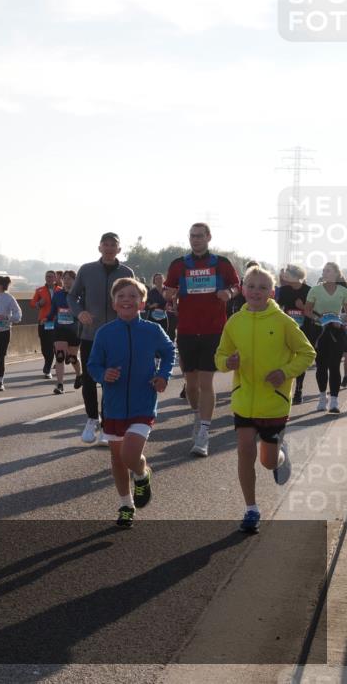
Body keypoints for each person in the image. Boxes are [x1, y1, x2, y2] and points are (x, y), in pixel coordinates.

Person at [215, 267, 315, 533]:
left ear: (271, 292)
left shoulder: (283, 321)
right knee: (244, 450)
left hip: (274, 401)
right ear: (243, 289)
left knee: (268, 461)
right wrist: (228, 362)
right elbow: (220, 356)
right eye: (251, 286)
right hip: (244, 399)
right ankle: (251, 509)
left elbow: (307, 353)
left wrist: (284, 373)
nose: (256, 291)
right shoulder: (235, 321)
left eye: (262, 287)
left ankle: (281, 456)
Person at [87, 278, 175, 528]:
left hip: (143, 403)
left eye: (133, 296)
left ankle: (141, 473)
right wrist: (103, 374)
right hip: (114, 406)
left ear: (142, 302)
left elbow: (169, 352)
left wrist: (163, 375)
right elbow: (93, 365)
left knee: (129, 454)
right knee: (117, 460)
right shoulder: (105, 333)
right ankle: (126, 505)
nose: (127, 300)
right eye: (121, 296)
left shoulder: (152, 330)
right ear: (114, 303)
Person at [162, 223, 241, 457]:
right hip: (186, 330)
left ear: (208, 237)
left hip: (213, 330)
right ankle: (198, 414)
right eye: (192, 236)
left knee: (206, 383)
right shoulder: (179, 264)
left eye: (199, 236)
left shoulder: (222, 263)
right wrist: (169, 294)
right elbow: (167, 289)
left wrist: (230, 293)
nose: (195, 240)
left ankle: (204, 433)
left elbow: (237, 285)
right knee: (192, 386)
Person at [68, 232, 135, 445]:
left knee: (111, 380)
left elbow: (133, 298)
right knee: (89, 378)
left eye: (112, 245)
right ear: (99, 248)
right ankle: (91, 419)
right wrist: (79, 313)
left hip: (116, 335)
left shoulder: (126, 272)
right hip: (90, 334)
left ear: (119, 249)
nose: (108, 248)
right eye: (105, 244)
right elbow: (72, 296)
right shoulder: (87, 270)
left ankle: (108, 425)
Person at [304, 262, 347, 413]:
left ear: (336, 274)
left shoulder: (343, 290)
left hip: (336, 332)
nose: (325, 273)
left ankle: (334, 402)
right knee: (321, 366)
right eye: (323, 270)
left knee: (334, 366)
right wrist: (318, 319)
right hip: (319, 332)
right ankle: (322, 398)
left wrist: (340, 320)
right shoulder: (315, 290)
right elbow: (307, 310)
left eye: (328, 271)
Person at [276, 264, 316, 404]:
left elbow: (315, 314)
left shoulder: (309, 290)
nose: (284, 275)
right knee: (285, 358)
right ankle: (283, 390)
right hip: (287, 329)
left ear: (296, 275)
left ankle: (298, 390)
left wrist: (303, 307)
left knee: (299, 360)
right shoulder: (284, 290)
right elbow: (277, 307)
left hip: (305, 329)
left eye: (287, 273)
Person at [48, 270, 82, 394]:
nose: (66, 281)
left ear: (75, 281)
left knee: (72, 357)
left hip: (75, 330)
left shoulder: (80, 295)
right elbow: (52, 311)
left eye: (69, 279)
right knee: (60, 356)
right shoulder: (57, 294)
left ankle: (79, 375)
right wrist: (46, 320)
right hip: (60, 329)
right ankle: (60, 385)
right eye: (65, 279)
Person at [30, 271, 58, 379]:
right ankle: (48, 363)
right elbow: (32, 303)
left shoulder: (60, 290)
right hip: (44, 322)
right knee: (45, 345)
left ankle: (47, 368)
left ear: (55, 278)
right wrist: (38, 304)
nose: (49, 278)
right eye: (47, 276)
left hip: (56, 322)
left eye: (51, 276)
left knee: (53, 343)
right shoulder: (40, 290)